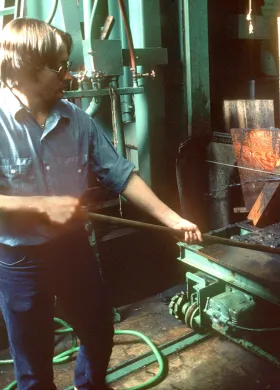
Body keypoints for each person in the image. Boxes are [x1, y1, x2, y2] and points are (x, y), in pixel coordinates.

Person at [0, 17, 202, 390]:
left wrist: (172, 218)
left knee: (98, 330)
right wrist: (39, 206)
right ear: (26, 69)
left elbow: (121, 174)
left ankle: (89, 386)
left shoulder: (77, 121)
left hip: (73, 248)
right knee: (32, 361)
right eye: (59, 66)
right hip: (20, 260)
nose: (69, 74)